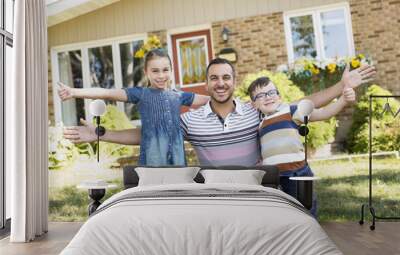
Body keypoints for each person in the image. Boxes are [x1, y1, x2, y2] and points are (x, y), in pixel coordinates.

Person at [64, 58, 376, 167]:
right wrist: (100, 133)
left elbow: (307, 101)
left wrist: (341, 85)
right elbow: (147, 135)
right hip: (214, 189)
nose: (221, 83)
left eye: (226, 77)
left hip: (257, 186)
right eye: (214, 78)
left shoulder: (256, 110)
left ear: (233, 81)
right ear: (207, 83)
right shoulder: (190, 119)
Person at [58, 48, 209, 166]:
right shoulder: (141, 94)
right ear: (146, 72)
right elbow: (107, 93)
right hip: (151, 167)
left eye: (165, 70)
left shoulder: (179, 96)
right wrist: (74, 92)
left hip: (178, 165)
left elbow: (209, 100)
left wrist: (232, 98)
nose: (161, 75)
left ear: (171, 70)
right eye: (155, 71)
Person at [247, 76, 356, 215]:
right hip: (274, 178)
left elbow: (323, 113)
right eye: (260, 96)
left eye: (271, 93)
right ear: (253, 104)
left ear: (279, 96)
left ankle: (311, 234)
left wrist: (343, 100)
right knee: (283, 214)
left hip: (297, 173)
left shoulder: (290, 111)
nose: (268, 97)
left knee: (306, 211)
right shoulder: (259, 124)